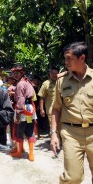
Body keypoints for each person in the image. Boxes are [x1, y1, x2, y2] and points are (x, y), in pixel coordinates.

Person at [50, 42, 93, 183]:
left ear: (82, 58)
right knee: (73, 178)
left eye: (69, 58)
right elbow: (56, 108)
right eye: (65, 58)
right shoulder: (61, 81)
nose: (66, 62)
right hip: (71, 135)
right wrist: (54, 134)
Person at [10, 64, 37, 161]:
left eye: (17, 73)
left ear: (22, 73)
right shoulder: (28, 82)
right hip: (30, 108)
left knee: (19, 131)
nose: (15, 75)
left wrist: (18, 113)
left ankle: (19, 152)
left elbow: (21, 99)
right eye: (14, 73)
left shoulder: (21, 84)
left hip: (22, 109)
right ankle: (31, 154)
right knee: (30, 130)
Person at [38, 67, 59, 136]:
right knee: (54, 128)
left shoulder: (61, 82)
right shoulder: (46, 84)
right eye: (53, 73)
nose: (54, 75)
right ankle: (56, 144)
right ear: (50, 74)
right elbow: (42, 97)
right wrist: (41, 109)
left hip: (62, 110)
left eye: (56, 73)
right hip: (51, 111)